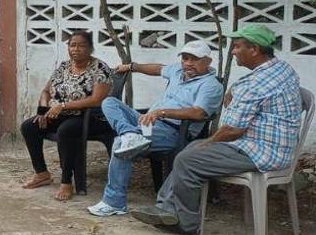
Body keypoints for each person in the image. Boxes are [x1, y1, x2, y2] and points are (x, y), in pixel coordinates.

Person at [131, 25, 303, 235]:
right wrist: (234, 89)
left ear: (254, 50)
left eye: (237, 46)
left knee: (189, 157)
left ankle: (184, 223)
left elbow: (232, 130)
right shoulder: (281, 68)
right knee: (191, 149)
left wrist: (208, 142)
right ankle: (166, 208)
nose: (233, 51)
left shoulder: (255, 84)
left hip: (259, 150)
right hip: (269, 145)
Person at [87, 42, 225, 217]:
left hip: (173, 131)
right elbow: (158, 68)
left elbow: (198, 113)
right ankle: (130, 133)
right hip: (148, 123)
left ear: (208, 61)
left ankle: (114, 202)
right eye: (185, 58)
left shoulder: (211, 85)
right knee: (110, 103)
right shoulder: (177, 71)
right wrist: (131, 66)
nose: (188, 63)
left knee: (122, 145)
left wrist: (162, 112)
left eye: (194, 59)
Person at [20, 31, 114, 201]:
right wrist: (42, 112)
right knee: (29, 126)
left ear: (90, 48)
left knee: (66, 130)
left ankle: (66, 182)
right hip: (61, 114)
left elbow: (96, 100)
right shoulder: (64, 66)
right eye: (72, 45)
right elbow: (46, 91)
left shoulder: (100, 68)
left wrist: (63, 106)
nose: (76, 49)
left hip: (89, 117)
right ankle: (42, 173)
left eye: (81, 45)